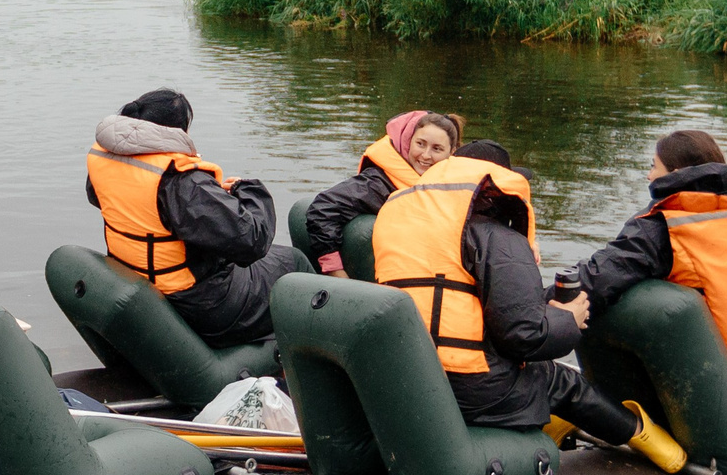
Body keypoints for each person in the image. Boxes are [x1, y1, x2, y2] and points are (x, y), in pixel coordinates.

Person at [373, 140, 679, 467]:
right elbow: (524, 337)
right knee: (559, 380)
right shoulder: (498, 238)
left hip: (413, 377)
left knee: (541, 377)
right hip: (475, 394)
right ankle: (653, 442)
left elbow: (457, 305)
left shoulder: (401, 227)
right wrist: (568, 319)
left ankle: (562, 424)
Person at [575, 128, 727, 413]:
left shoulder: (664, 225)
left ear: (675, 173)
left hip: (719, 383)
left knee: (614, 301)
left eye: (653, 166)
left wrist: (534, 310)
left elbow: (598, 276)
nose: (648, 176)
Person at [87, 87, 302, 347]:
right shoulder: (181, 181)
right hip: (199, 305)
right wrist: (249, 190)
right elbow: (254, 242)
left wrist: (212, 202)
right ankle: (309, 354)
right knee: (293, 262)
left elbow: (108, 200)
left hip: (140, 281)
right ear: (177, 131)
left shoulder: (105, 162)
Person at [303, 110, 464, 275]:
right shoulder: (377, 184)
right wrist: (335, 271)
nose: (425, 155)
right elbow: (322, 210)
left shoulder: (460, 187)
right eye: (420, 144)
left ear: (452, 152)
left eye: (437, 149)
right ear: (409, 141)